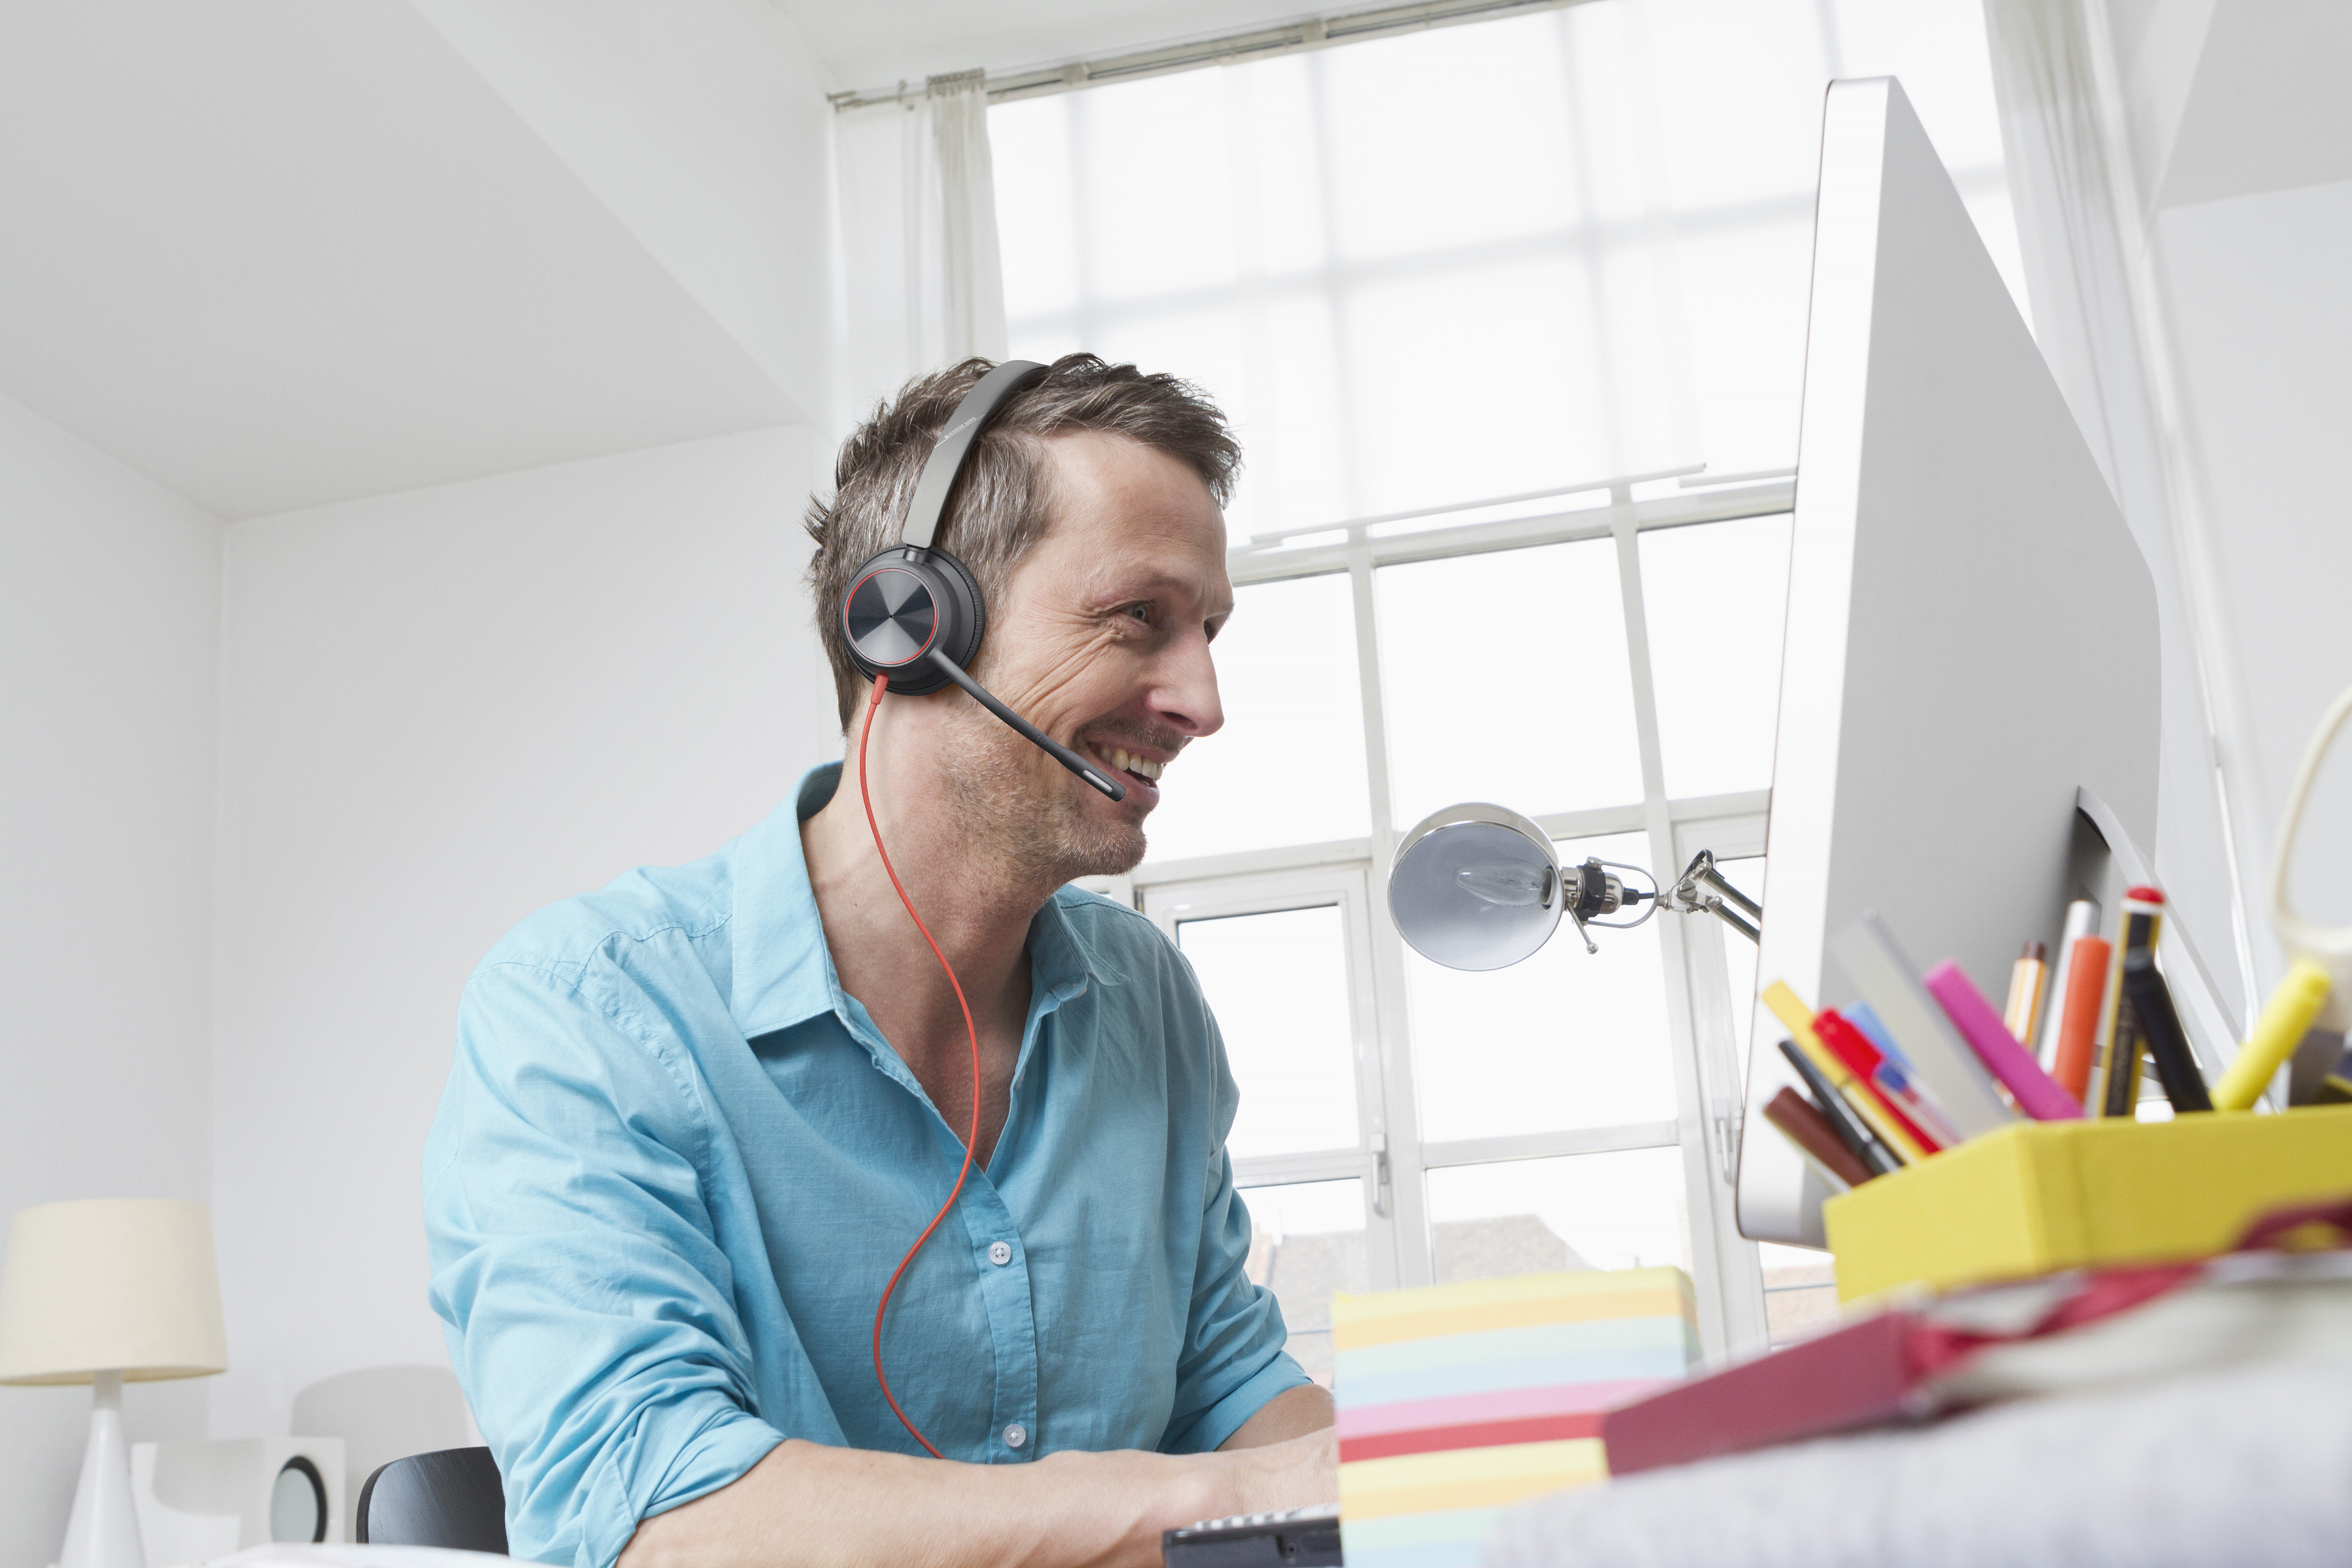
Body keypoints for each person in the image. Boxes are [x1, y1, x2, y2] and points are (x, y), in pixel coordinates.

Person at [423, 355, 1337, 1568]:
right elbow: (654, 1516)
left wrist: (1411, 1495)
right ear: (908, 622)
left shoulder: (1147, 1000)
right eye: (1139, 619)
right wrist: (1221, 1501)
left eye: (1209, 631)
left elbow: (1224, 1382)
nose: (1202, 701)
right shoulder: (586, 1008)